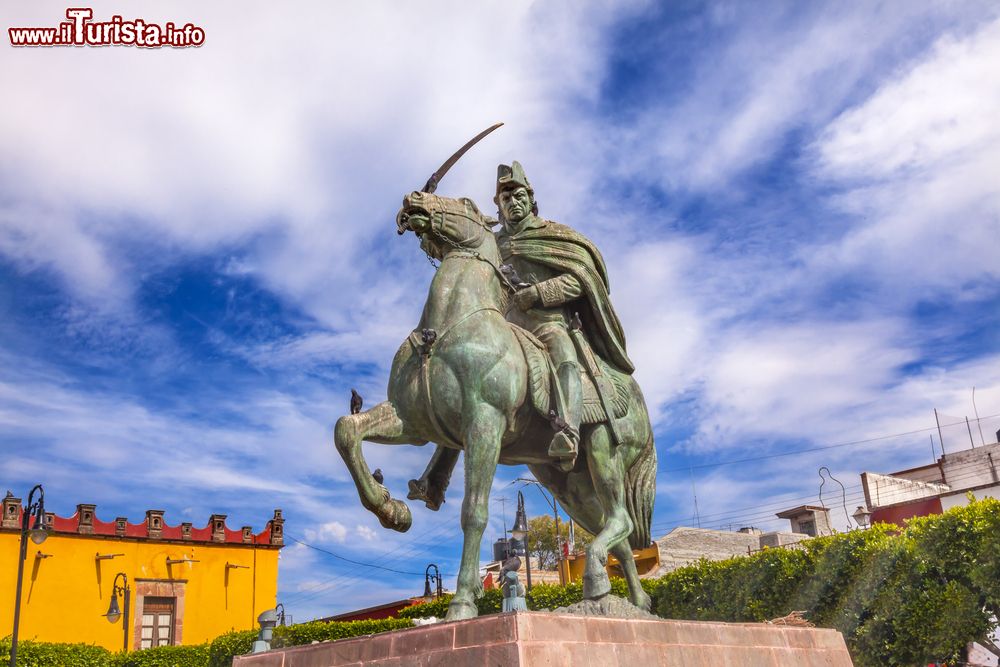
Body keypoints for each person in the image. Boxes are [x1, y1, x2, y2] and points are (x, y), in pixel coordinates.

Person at [494, 161, 634, 469]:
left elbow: (583, 278)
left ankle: (568, 432)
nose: (513, 202)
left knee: (563, 354)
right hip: (506, 328)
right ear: (498, 206)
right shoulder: (493, 244)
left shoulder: (554, 235)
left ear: (531, 199)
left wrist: (539, 293)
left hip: (547, 324)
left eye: (519, 195)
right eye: (506, 198)